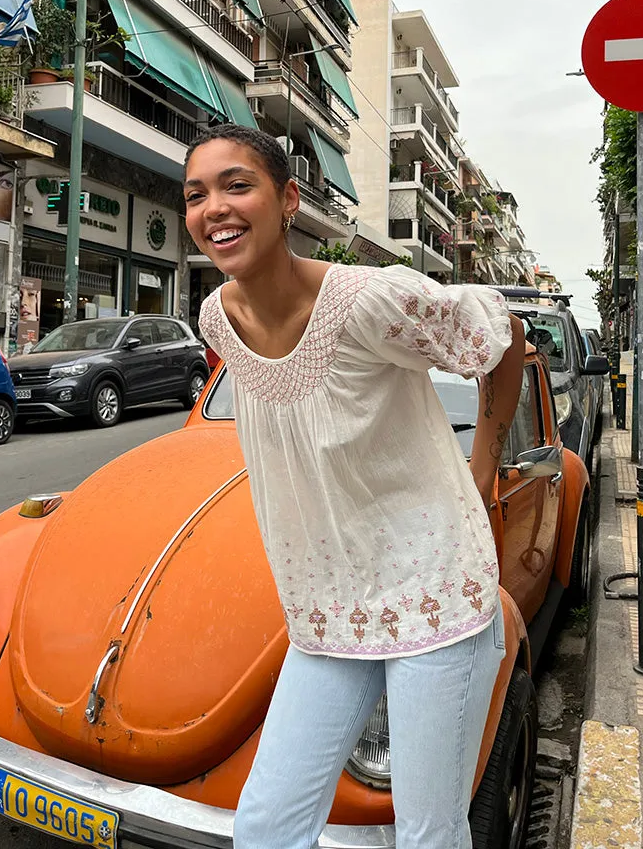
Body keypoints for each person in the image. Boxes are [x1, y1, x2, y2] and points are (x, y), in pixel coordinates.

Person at [185, 123, 525, 849]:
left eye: (236, 184)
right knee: (267, 826)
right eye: (196, 194)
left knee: (428, 834)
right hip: (329, 610)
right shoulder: (217, 317)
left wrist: (485, 466)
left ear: (288, 200)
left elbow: (503, 337)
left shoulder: (371, 302)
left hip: (436, 596)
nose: (214, 206)